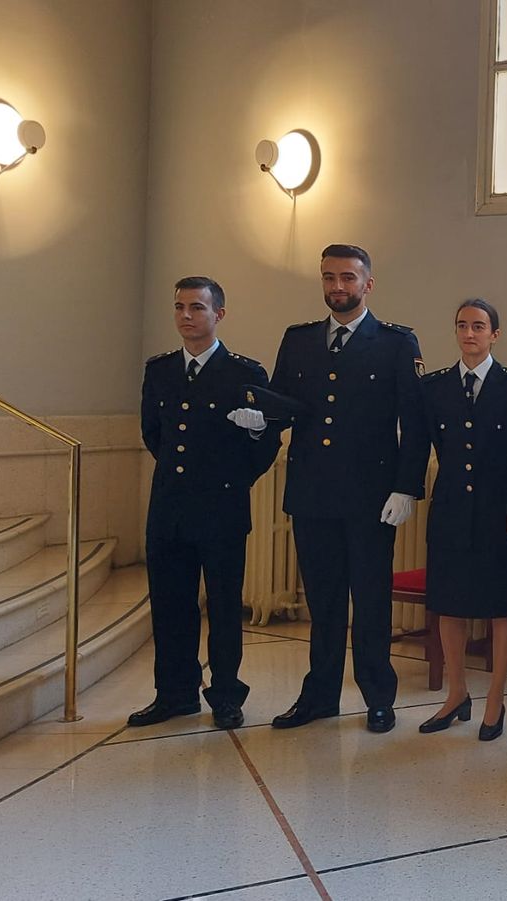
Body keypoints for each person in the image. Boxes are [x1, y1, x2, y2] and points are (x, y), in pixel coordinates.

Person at [227, 243, 429, 734]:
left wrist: (406, 488)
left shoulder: (397, 343)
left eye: (348, 278)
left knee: (372, 602)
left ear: (367, 284)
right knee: (323, 604)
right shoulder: (299, 341)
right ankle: (319, 696)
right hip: (313, 493)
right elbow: (281, 404)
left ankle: (379, 697)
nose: (337, 287)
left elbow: (416, 422)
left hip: (371, 497)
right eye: (328, 278)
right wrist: (259, 423)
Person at [130, 277, 280, 730]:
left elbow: (264, 443)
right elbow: (153, 432)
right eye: (179, 307)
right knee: (171, 605)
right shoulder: (160, 370)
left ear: (219, 314)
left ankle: (226, 695)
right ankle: (174, 694)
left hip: (221, 508)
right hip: (169, 509)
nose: (186, 316)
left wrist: (228, 477)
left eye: (197, 307)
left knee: (223, 607)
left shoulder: (244, 372)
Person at [416, 299, 507, 741]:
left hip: (500, 512)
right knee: (450, 603)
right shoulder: (436, 387)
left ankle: (496, 700)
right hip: (450, 510)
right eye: (462, 325)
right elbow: (422, 448)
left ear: (494, 334)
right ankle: (456, 693)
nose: (469, 333)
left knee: (501, 607)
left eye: (479, 326)